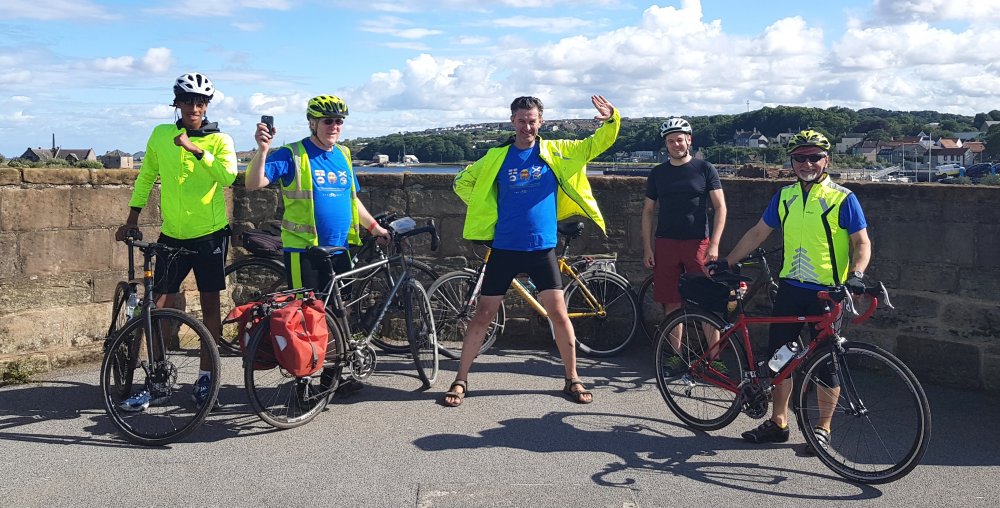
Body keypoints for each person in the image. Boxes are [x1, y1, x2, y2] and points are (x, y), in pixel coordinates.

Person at [441, 94, 620, 407]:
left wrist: (612, 118)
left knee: (559, 314)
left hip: (541, 248)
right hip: (505, 247)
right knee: (483, 314)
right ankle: (460, 379)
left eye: (532, 121)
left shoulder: (557, 152)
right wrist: (486, 209)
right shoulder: (496, 157)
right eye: (521, 121)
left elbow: (596, 144)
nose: (527, 126)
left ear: (541, 122)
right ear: (512, 121)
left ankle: (572, 378)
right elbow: (462, 182)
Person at [711, 129, 871, 452]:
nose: (807, 163)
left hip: (826, 293)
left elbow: (862, 242)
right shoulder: (785, 197)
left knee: (827, 363)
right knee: (779, 358)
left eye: (814, 157)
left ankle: (823, 429)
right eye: (800, 157)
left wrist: (856, 274)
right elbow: (758, 233)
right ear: (792, 162)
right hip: (789, 289)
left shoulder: (843, 198)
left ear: (826, 160)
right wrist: (728, 261)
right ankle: (778, 422)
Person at [245, 94, 389, 394]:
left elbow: (352, 199)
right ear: (313, 123)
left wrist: (373, 226)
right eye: (328, 121)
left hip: (339, 249)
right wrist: (262, 150)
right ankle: (304, 384)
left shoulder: (344, 155)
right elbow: (253, 183)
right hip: (305, 251)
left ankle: (330, 380)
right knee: (306, 318)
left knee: (338, 315)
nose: (334, 126)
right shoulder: (292, 154)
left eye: (338, 121)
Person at [115, 72, 238, 411]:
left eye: (200, 102)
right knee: (155, 308)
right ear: (177, 103)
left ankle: (205, 379)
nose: (194, 107)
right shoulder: (160, 134)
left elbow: (228, 176)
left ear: (207, 105)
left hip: (210, 235)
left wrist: (195, 149)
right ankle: (156, 383)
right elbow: (147, 176)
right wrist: (132, 218)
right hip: (172, 235)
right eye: (187, 101)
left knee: (211, 310)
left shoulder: (220, 140)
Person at [641, 117, 726, 366]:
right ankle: (675, 358)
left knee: (706, 303)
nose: (676, 144)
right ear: (665, 145)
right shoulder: (658, 173)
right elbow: (647, 211)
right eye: (670, 141)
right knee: (671, 302)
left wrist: (715, 244)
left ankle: (716, 361)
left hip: (698, 242)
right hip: (665, 242)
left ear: (689, 140)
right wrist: (647, 246)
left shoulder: (705, 168)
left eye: (680, 139)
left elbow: (720, 208)